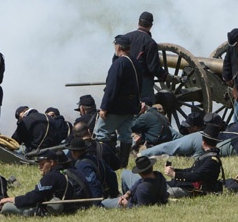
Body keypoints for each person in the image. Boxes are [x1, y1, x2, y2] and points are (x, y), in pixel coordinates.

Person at [94, 34, 142, 169]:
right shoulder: (135, 62)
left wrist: (104, 107)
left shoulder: (119, 63)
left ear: (118, 46)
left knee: (101, 134)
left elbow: (111, 87)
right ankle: (122, 164)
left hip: (116, 107)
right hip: (130, 107)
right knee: (126, 136)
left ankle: (101, 163)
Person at [0, 150, 89, 216]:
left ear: (52, 162)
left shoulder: (51, 177)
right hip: (67, 209)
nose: (39, 167)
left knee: (7, 207)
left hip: (48, 211)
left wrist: (12, 199)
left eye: (42, 164)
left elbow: (34, 197)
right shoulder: (60, 174)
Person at [164, 124, 223, 198]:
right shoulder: (208, 157)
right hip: (189, 186)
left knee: (168, 192)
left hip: (197, 191)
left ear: (203, 142)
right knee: (162, 184)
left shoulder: (212, 160)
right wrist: (175, 170)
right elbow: (192, 171)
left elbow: (196, 175)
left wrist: (174, 174)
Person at [126, 11, 169, 105]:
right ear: (151, 25)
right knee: (146, 108)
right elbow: (153, 68)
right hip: (143, 82)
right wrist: (166, 76)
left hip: (125, 79)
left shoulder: (126, 37)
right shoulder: (150, 43)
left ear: (138, 22)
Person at [103, 156, 168, 208]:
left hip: (131, 202)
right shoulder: (159, 175)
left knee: (104, 203)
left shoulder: (142, 189)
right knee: (125, 173)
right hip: (147, 194)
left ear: (139, 173)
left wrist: (127, 204)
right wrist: (128, 193)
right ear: (151, 166)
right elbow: (140, 181)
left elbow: (140, 209)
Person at [66, 137, 118, 201]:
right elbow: (112, 175)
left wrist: (96, 202)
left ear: (73, 152)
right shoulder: (95, 158)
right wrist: (114, 194)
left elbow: (93, 183)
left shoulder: (82, 166)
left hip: (98, 198)